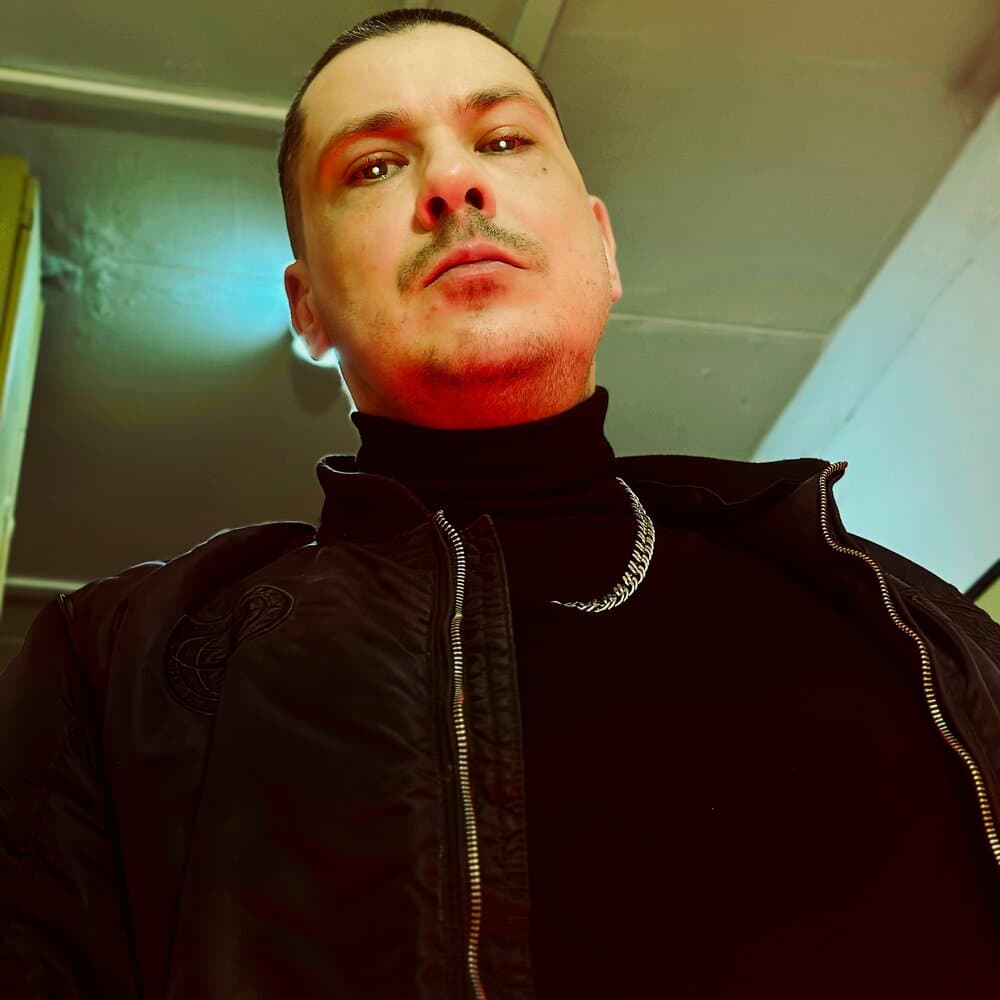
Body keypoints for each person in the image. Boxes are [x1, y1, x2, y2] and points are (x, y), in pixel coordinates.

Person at [2, 7, 999, 998]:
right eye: (375, 166)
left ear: (603, 246)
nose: (451, 181)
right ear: (308, 307)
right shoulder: (120, 671)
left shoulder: (906, 619)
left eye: (505, 141)